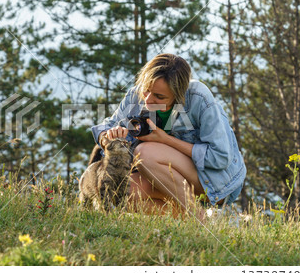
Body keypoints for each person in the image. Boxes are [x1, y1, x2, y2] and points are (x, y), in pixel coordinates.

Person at [91, 53, 246, 219]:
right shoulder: (136, 95)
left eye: (160, 97)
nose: (148, 100)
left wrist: (165, 140)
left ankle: (200, 219)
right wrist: (108, 137)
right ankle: (209, 219)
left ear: (178, 94)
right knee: (120, 192)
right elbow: (104, 127)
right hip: (167, 177)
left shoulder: (199, 98)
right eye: (147, 90)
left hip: (215, 180)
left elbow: (220, 158)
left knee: (144, 153)